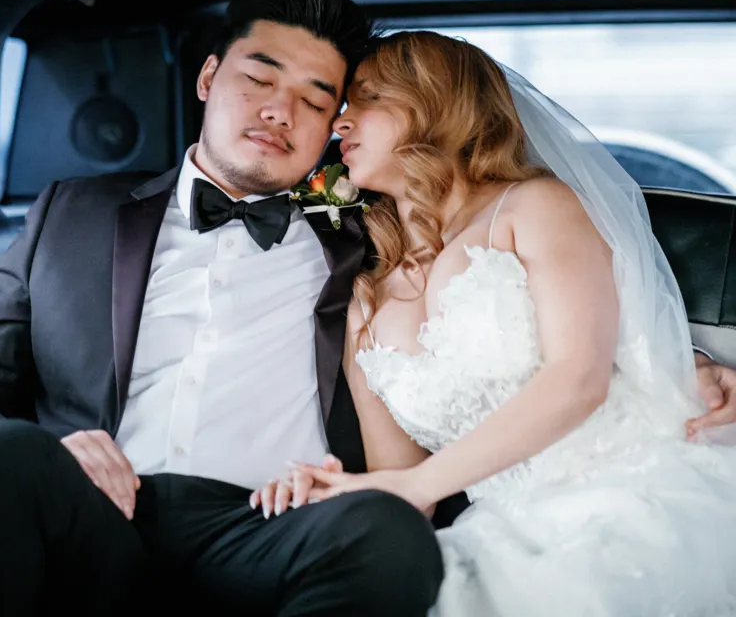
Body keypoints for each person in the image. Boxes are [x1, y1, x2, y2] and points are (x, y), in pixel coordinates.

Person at [0, 0, 444, 615]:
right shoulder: (71, 214)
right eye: (259, 80)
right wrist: (52, 453)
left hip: (265, 528)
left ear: (333, 130)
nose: (279, 112)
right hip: (88, 512)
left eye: (315, 102)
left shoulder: (369, 246)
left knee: (384, 531)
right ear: (208, 80)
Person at [264, 31, 736, 615]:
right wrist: (338, 493)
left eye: (366, 99)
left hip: (641, 486)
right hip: (502, 530)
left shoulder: (536, 208)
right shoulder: (362, 300)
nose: (340, 123)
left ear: (431, 103)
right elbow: (407, 487)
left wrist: (698, 361)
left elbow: (578, 378)